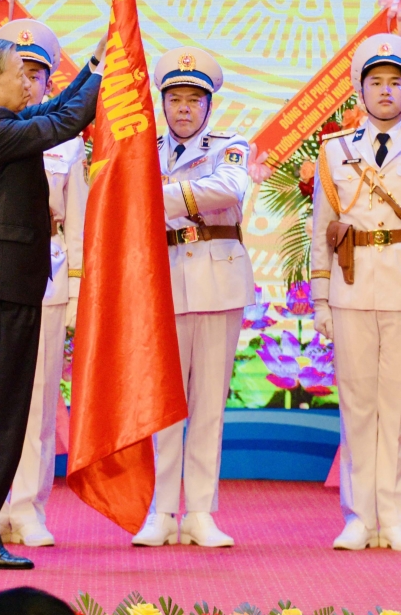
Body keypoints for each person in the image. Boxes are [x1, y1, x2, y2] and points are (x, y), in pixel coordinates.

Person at [0, 36, 102, 570]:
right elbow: (65, 121)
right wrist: (106, 73)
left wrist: (96, 64)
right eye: (19, 74)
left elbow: (55, 109)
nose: (29, 83)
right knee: (0, 418)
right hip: (0, 288)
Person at [309, 33, 401, 552]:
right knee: (356, 407)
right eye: (376, 82)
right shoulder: (334, 150)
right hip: (349, 290)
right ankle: (357, 517)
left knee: (396, 410)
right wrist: (320, 298)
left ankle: (394, 518)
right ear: (360, 89)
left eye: (396, 82)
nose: (386, 91)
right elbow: (321, 229)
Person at [131, 47, 255, 549]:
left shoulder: (231, 146)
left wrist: (147, 195)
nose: (184, 109)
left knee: (208, 404)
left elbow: (227, 190)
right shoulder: (142, 149)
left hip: (218, 282)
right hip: (161, 283)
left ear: (208, 105)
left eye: (193, 100)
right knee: (164, 405)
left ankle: (201, 511)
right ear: (162, 103)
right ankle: (162, 511)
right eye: (175, 99)